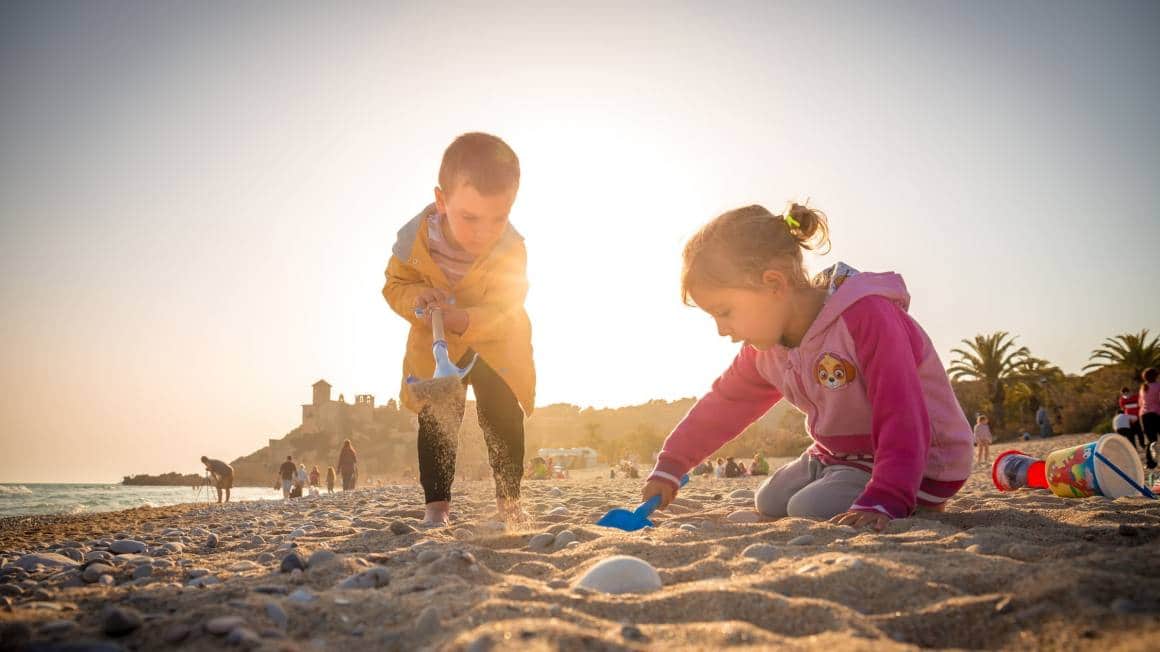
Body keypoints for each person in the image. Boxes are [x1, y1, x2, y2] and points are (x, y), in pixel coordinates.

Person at [641, 203, 973, 532]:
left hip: (922, 460)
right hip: (841, 455)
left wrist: (887, 495)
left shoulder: (866, 316)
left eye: (724, 311)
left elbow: (902, 411)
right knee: (769, 500)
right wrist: (671, 465)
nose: (721, 329)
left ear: (774, 284)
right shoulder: (765, 350)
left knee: (806, 508)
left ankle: (902, 496)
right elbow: (724, 405)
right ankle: (841, 474)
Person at [381, 133, 535, 527]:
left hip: (497, 345)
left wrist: (465, 319)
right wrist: (419, 299)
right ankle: (436, 507)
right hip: (437, 345)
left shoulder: (510, 248)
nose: (484, 231)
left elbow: (509, 302)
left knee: (502, 414)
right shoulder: (413, 244)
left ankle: (509, 503)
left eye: (498, 218)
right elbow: (394, 287)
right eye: (469, 218)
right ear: (441, 201)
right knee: (437, 418)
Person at [1140, 368, 1160, 469]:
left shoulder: (1143, 387)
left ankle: (1150, 463)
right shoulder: (1158, 386)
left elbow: (1141, 403)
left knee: (1151, 440)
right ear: (1156, 376)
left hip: (1145, 416)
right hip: (1156, 414)